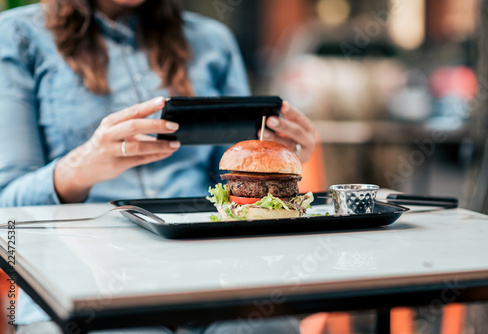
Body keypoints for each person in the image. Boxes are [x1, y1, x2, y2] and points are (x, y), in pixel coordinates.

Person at [0, 0, 316, 332]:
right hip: (83, 285)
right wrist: (79, 167)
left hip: (214, 278)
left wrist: (276, 164)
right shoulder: (17, 36)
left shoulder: (214, 41)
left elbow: (230, 179)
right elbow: (6, 208)